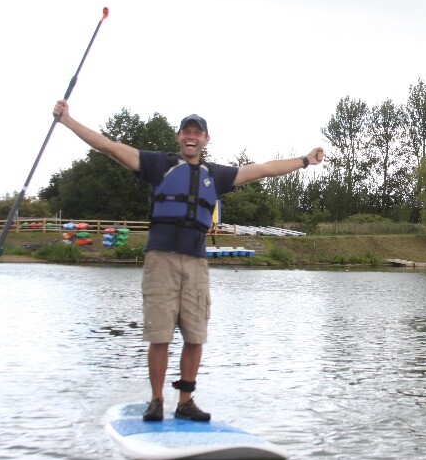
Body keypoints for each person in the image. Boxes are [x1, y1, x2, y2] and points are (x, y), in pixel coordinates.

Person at [53, 101, 324, 422]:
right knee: (160, 334)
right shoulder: (158, 165)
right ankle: (156, 400)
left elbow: (265, 168)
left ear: (206, 140)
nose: (192, 136)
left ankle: (185, 401)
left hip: (196, 263)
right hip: (161, 260)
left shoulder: (217, 175)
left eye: (198, 133)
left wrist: (305, 160)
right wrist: (67, 120)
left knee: (195, 336)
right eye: (187, 131)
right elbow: (108, 147)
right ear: (179, 137)